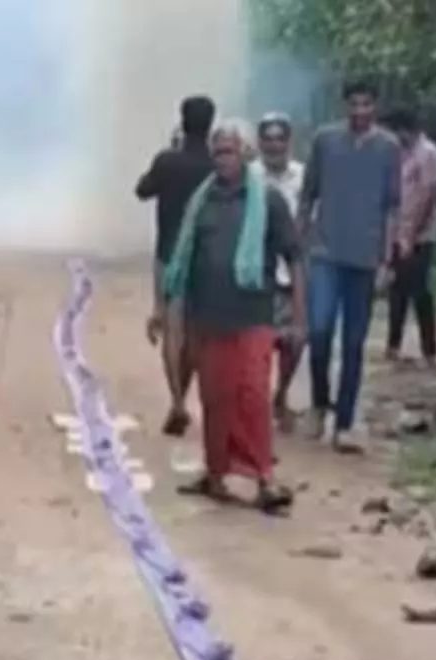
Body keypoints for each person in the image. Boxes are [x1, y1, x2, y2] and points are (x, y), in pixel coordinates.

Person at [161, 119, 304, 515]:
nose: (222, 159)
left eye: (229, 151)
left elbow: (295, 258)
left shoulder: (268, 201)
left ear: (245, 154)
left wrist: (299, 318)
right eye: (217, 152)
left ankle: (265, 478)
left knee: (253, 395)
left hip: (253, 315)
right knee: (215, 398)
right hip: (207, 317)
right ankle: (215, 473)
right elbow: (185, 261)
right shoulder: (201, 202)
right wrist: (174, 313)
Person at [296, 79, 400, 453]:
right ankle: (318, 403)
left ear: (375, 107)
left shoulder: (388, 147)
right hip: (325, 251)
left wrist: (387, 259)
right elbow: (308, 195)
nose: (360, 111)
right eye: (354, 104)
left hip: (365, 257)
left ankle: (344, 422)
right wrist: (298, 244)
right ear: (345, 107)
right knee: (319, 330)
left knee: (354, 343)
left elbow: (392, 208)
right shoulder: (325, 140)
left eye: (366, 104)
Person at [136, 95, 216, 437]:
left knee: (172, 330)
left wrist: (170, 150)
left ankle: (177, 401)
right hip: (204, 257)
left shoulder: (168, 161)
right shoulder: (217, 166)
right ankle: (182, 395)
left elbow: (142, 190)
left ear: (182, 122)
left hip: (169, 254)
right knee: (195, 333)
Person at [256, 112, 307, 431]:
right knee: (258, 343)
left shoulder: (303, 177)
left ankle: (281, 394)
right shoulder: (249, 177)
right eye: (268, 139)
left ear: (289, 142)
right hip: (259, 274)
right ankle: (259, 405)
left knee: (295, 341)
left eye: (279, 139)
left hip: (292, 272)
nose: (274, 145)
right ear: (260, 143)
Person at [383, 107, 436, 365]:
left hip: (421, 233)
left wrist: (412, 233)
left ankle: (429, 348)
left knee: (419, 289)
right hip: (398, 230)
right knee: (397, 290)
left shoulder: (428, 153)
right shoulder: (398, 153)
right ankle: (393, 345)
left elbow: (428, 195)